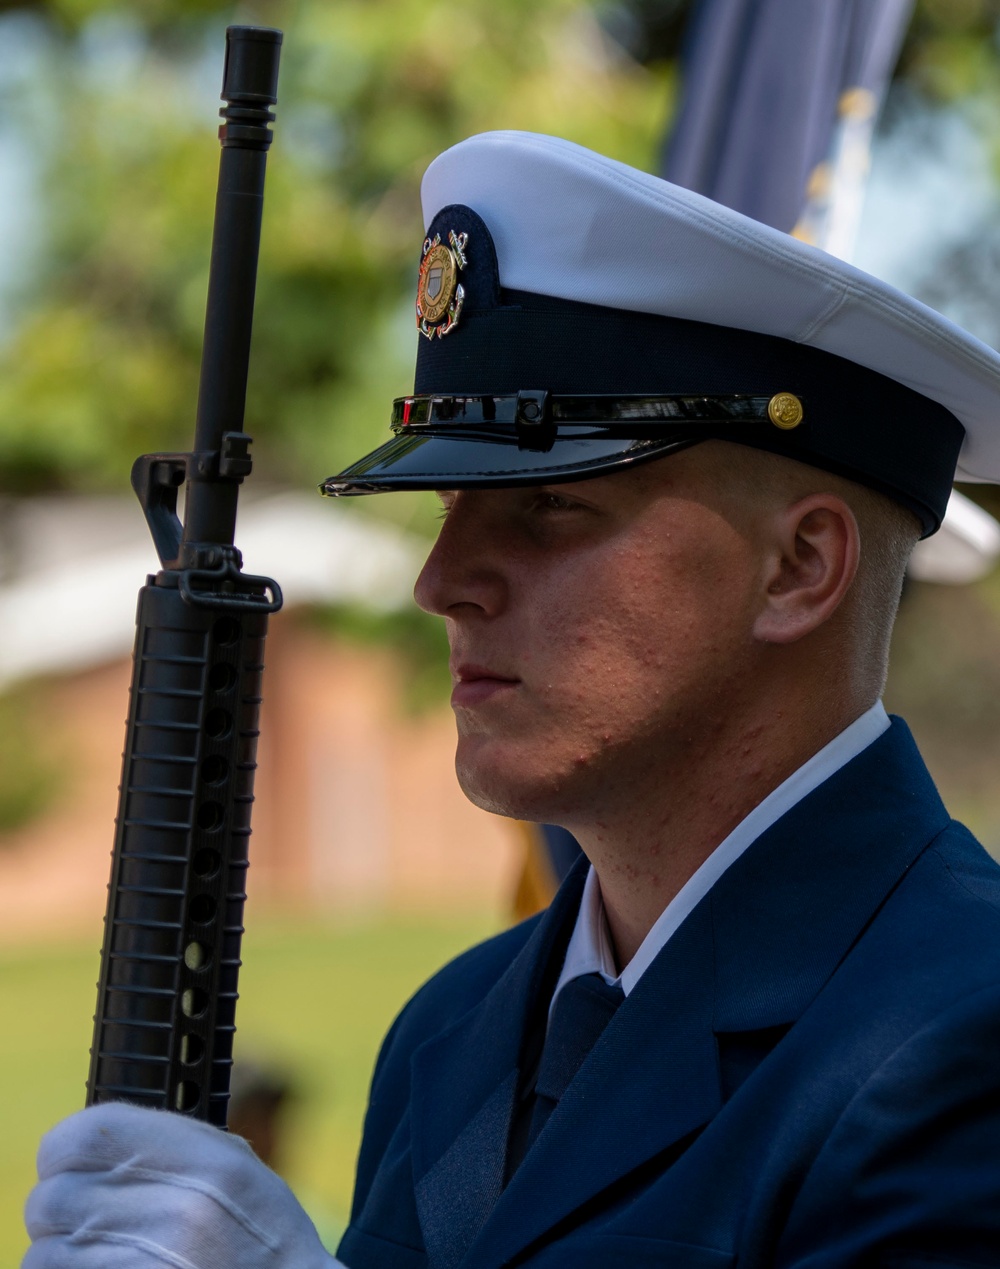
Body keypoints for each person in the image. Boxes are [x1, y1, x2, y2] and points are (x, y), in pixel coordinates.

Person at [23, 132, 1000, 1268]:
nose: (442, 586)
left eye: (546, 510)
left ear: (796, 569)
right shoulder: (456, 1030)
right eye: (446, 510)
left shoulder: (955, 1034)